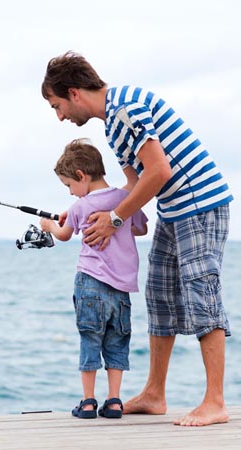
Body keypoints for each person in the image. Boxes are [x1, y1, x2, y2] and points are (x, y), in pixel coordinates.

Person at [41, 51, 234, 426]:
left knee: (201, 295)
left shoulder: (126, 107)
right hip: (173, 211)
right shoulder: (113, 125)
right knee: (159, 296)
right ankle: (154, 394)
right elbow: (132, 186)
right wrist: (85, 208)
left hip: (199, 205)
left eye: (57, 105)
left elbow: (158, 171)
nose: (60, 116)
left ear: (74, 92)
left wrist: (114, 219)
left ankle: (215, 401)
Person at [40, 139, 148, 419]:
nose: (72, 193)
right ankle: (114, 401)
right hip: (121, 289)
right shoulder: (125, 200)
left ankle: (88, 402)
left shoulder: (81, 206)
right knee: (117, 341)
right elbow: (142, 228)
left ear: (80, 176)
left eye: (69, 186)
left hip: (89, 283)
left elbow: (63, 235)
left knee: (90, 339)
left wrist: (48, 224)